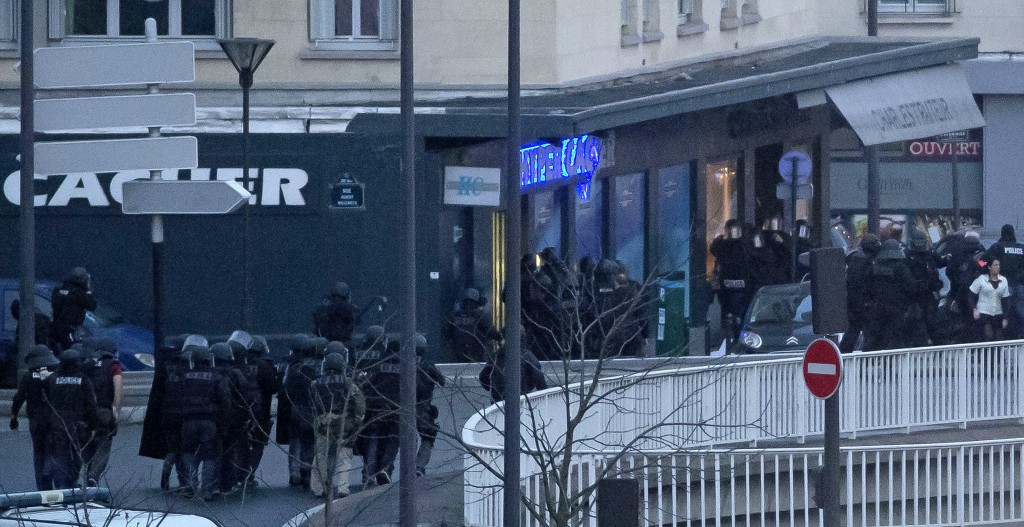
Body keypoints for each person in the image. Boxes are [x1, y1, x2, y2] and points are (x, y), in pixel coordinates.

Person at [310, 346, 365, 499]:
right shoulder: (348, 383)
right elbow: (359, 402)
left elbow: (312, 403)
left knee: (320, 457)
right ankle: (343, 488)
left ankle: (318, 488)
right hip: (343, 424)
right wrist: (358, 419)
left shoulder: (315, 384)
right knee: (344, 457)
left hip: (322, 424)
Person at [180, 342, 231, 501]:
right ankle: (207, 489)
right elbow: (225, 399)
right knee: (210, 455)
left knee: (188, 453)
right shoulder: (216, 376)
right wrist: (224, 422)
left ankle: (191, 486)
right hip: (209, 421)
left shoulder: (185, 376)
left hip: (188, 420)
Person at [44, 347, 99, 489]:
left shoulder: (52, 379)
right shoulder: (83, 380)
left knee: (59, 454)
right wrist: (93, 425)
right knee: (76, 455)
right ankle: (72, 482)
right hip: (78, 424)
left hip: (57, 423)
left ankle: (60, 483)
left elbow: (45, 402)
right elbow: (91, 404)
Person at [10, 344, 60, 490]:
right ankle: (54, 477)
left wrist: (14, 417)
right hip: (54, 418)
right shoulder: (56, 374)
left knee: (39, 452)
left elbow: (18, 398)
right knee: (55, 450)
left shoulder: (28, 376)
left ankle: (42, 486)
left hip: (36, 420)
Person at [160, 334, 203, 492]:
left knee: (172, 447)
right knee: (185, 448)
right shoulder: (188, 364)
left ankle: (165, 478)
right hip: (184, 411)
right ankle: (183, 480)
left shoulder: (166, 364)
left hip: (167, 411)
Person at [80, 337, 123, 485]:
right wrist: (117, 410)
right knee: (103, 446)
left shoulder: (87, 365)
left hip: (86, 412)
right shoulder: (114, 365)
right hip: (103, 410)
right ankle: (94, 476)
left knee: (87, 445)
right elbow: (118, 385)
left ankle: (87, 475)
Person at [361, 339, 401, 488]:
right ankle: (385, 469)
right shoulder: (406, 364)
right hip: (397, 409)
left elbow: (366, 383)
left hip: (376, 408)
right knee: (393, 440)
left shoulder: (377, 363)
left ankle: (368, 474)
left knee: (373, 440)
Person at [213, 340, 251, 495]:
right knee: (230, 451)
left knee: (213, 452)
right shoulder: (236, 373)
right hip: (233, 418)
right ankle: (227, 485)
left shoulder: (211, 372)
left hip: (214, 417)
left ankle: (212, 484)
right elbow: (245, 395)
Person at [863, 238, 916, 351]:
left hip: (877, 305)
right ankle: (892, 362)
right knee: (894, 335)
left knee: (875, 335)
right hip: (896, 306)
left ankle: (869, 361)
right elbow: (910, 286)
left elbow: (867, 285)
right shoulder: (901, 268)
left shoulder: (875, 267)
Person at [283, 335, 320, 488]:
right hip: (311, 409)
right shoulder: (317, 366)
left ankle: (294, 473)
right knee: (309, 441)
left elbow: (285, 383)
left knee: (295, 441)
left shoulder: (292, 365)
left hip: (295, 407)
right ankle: (307, 472)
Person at [243, 335, 280, 488]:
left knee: (240, 444)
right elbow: (273, 388)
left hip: (241, 411)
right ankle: (249, 475)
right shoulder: (265, 366)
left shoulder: (240, 364)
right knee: (258, 445)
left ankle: (238, 474)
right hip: (261, 411)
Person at [709, 219, 750, 345]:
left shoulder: (735, 244)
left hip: (729, 285)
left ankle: (732, 335)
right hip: (734, 286)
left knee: (730, 313)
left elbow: (714, 249)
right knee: (735, 313)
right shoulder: (739, 244)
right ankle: (734, 335)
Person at [904, 230, 945, 346]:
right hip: (916, 295)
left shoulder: (928, 255)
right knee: (919, 322)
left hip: (927, 293)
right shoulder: (909, 256)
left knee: (928, 322)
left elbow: (942, 262)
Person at [414, 334, 446, 477]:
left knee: (392, 439)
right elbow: (442, 381)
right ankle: (419, 466)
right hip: (423, 408)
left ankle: (385, 469)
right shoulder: (427, 365)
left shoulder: (400, 362)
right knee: (428, 436)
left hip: (400, 407)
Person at [479, 337, 548, 403]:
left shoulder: (497, 356)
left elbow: (484, 378)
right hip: (521, 400)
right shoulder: (527, 356)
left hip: (498, 401)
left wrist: (495, 389)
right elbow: (539, 379)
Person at [986, 224, 1024, 338]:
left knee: (1002, 314)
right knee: (1021, 313)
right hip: (1020, 286)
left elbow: (982, 261)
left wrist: (983, 267)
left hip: (1002, 286)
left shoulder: (997, 247)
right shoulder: (1021, 248)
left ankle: (1000, 338)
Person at [447, 288, 502, 363]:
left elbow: (447, 335)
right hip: (476, 356)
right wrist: (500, 338)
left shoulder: (455, 316)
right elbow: (491, 332)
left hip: (457, 357)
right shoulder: (480, 316)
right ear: (477, 302)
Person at [50, 267, 97, 353]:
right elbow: (92, 305)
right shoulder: (78, 293)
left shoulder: (57, 290)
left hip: (55, 328)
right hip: (71, 331)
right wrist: (88, 290)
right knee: (74, 353)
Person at [969, 258, 1011, 342]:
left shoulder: (1003, 280)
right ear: (989, 267)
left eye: (999, 265)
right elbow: (971, 295)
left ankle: (997, 355)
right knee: (988, 335)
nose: (998, 267)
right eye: (995, 265)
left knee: (998, 338)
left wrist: (1005, 317)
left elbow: (1006, 300)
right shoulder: (981, 279)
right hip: (984, 313)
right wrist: (974, 309)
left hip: (998, 313)